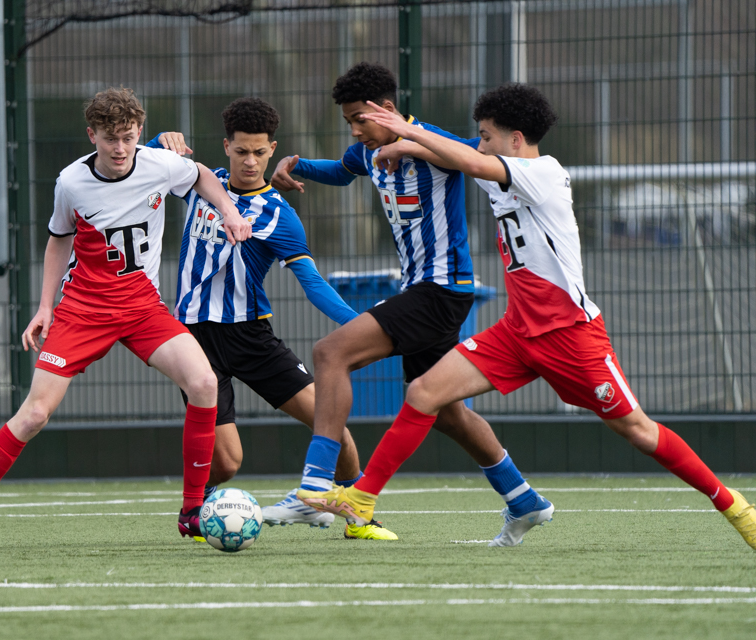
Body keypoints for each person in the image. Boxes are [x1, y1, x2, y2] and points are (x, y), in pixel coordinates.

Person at [299, 83, 756, 551]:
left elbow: (469, 160)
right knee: (423, 392)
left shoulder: (543, 172)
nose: (480, 144)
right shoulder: (501, 172)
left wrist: (406, 129)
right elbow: (460, 158)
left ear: (516, 140)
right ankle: (364, 497)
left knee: (638, 430)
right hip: (517, 332)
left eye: (486, 135)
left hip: (571, 336)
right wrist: (398, 144)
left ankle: (734, 506)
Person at [0, 87, 252, 552]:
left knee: (203, 384)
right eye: (111, 138)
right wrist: (44, 306)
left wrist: (230, 209)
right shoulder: (71, 182)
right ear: (92, 135)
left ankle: (191, 512)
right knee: (34, 414)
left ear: (139, 133)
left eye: (129, 138)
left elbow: (198, 174)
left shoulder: (158, 163)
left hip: (142, 308)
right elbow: (59, 239)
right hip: (83, 311)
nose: (120, 149)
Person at [271, 62, 552, 545]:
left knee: (330, 353)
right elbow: (343, 171)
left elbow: (472, 157)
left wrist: (409, 141)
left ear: (387, 109)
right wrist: (295, 168)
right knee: (446, 411)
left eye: (362, 118)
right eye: (349, 123)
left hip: (440, 291)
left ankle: (315, 485)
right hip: (428, 293)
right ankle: (523, 499)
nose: (357, 131)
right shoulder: (368, 149)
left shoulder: (432, 144)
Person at [148, 97, 394, 540]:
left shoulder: (280, 215)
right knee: (227, 463)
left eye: (260, 153)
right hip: (195, 342)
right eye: (241, 151)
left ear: (271, 148)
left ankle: (359, 517)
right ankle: (198, 509)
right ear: (226, 147)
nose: (250, 161)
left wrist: (360, 323)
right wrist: (157, 141)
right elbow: (138, 164)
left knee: (330, 423)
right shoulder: (200, 183)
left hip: (252, 339)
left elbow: (313, 283)